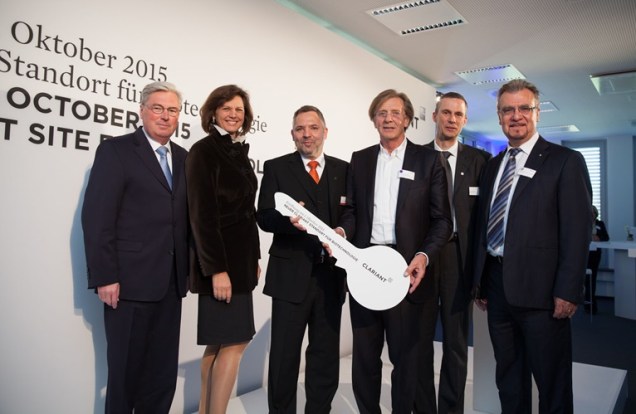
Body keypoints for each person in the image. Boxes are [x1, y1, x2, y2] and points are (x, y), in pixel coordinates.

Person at [472, 79, 593, 413]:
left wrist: (568, 290)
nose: (516, 116)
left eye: (524, 108)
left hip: (544, 293)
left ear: (538, 112)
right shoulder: (492, 166)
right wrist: (481, 281)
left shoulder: (565, 161)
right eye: (508, 110)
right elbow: (484, 224)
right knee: (509, 377)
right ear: (499, 116)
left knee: (552, 382)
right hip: (497, 288)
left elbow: (577, 230)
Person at [337, 89, 452, 413]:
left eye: (395, 113)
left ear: (407, 120)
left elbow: (442, 221)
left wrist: (423, 256)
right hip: (365, 269)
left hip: (405, 272)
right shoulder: (360, 160)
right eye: (381, 113)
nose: (388, 119)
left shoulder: (428, 161)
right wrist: (342, 232)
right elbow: (351, 211)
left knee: (406, 359)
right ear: (374, 119)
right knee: (364, 357)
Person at [82, 81, 189, 413]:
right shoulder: (116, 151)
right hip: (128, 284)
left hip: (171, 284)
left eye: (172, 110)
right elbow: (98, 216)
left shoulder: (185, 158)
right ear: (142, 111)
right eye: (157, 108)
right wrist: (105, 275)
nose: (165, 116)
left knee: (161, 376)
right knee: (125, 375)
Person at [256, 105, 349, 413]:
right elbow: (264, 216)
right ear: (292, 134)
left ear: (325, 132)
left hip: (331, 277)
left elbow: (352, 212)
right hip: (289, 278)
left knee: (325, 355)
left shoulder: (344, 170)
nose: (306, 134)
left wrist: (343, 230)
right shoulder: (276, 167)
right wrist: (288, 222)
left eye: (313, 128)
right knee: (284, 357)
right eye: (300, 129)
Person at [186, 84, 261, 414]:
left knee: (219, 344)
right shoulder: (204, 151)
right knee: (234, 342)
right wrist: (216, 270)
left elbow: (246, 212)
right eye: (227, 108)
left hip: (240, 263)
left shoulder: (234, 150)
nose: (234, 114)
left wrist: (254, 256)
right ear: (213, 112)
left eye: (239, 110)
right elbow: (201, 216)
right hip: (221, 265)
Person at [415, 92, 491, 414]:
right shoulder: (415, 157)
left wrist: (483, 274)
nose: (451, 119)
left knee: (456, 344)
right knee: (419, 341)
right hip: (423, 257)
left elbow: (486, 219)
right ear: (434, 116)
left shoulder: (481, 161)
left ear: (465, 120)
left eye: (458, 115)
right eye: (446, 112)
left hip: (460, 259)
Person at [585, 205, 609, 313]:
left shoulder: (600, 224)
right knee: (586, 280)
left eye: (593, 213)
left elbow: (606, 237)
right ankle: (587, 304)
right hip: (585, 255)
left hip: (595, 256)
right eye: (590, 213)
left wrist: (598, 238)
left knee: (592, 279)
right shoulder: (584, 223)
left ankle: (592, 305)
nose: (592, 215)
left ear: (596, 214)